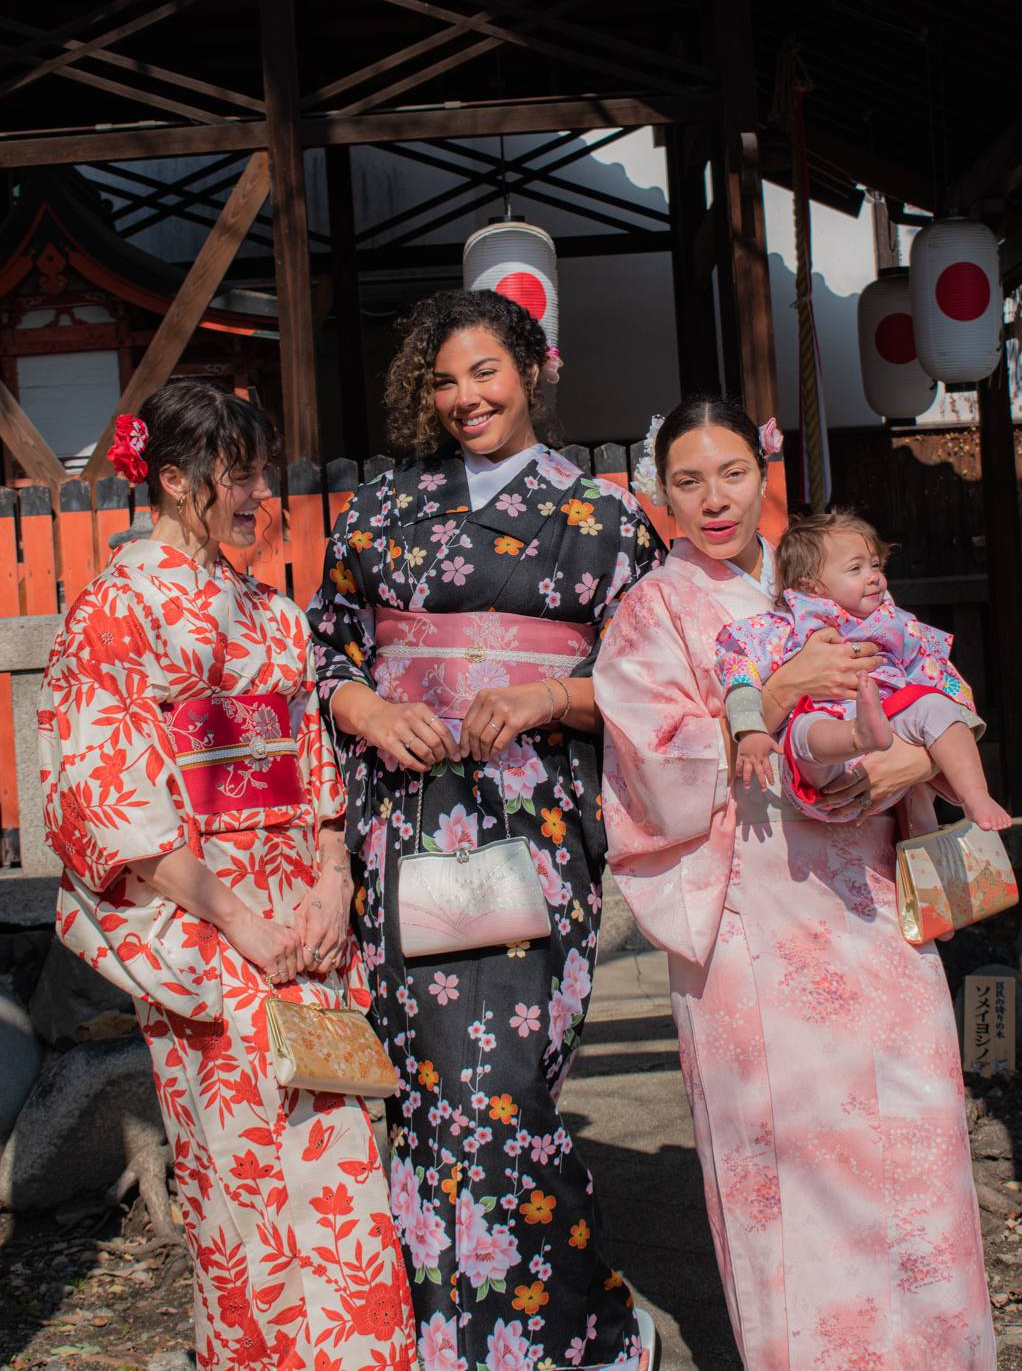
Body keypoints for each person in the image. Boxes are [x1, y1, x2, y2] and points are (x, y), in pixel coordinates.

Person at [594, 395, 995, 1371]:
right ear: (662, 496)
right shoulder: (651, 613)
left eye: (731, 472)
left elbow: (935, 680)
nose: (714, 499)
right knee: (789, 1170)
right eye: (688, 481)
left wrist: (925, 757)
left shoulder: (816, 577)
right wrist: (763, 704)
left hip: (870, 906)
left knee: (917, 1135)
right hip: (753, 922)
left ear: (762, 471)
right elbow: (647, 765)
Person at [307, 288, 664, 1371]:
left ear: (533, 372)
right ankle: (450, 1335)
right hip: (407, 822)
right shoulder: (379, 510)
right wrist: (363, 705)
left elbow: (659, 688)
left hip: (532, 827)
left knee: (506, 1088)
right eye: (444, 380)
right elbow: (326, 652)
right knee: (425, 1087)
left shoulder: (602, 519)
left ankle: (579, 1328)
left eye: (486, 374)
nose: (465, 398)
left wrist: (555, 699)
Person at [38, 381, 417, 1371]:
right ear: (170, 478)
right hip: (205, 921)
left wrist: (333, 881)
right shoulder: (114, 612)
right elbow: (108, 795)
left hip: (300, 913)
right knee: (243, 1168)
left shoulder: (271, 616)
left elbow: (310, 764)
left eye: (260, 468)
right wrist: (237, 920)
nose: (257, 491)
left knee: (337, 1148)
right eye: (234, 472)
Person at [720, 508, 1010, 832]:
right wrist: (751, 730)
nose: (873, 576)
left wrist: (943, 735)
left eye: (875, 564)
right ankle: (859, 733)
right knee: (806, 729)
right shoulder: (788, 626)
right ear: (811, 586)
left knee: (937, 705)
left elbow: (941, 679)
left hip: (894, 738)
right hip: (825, 766)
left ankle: (976, 796)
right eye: (855, 568)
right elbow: (739, 674)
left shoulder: (895, 623)